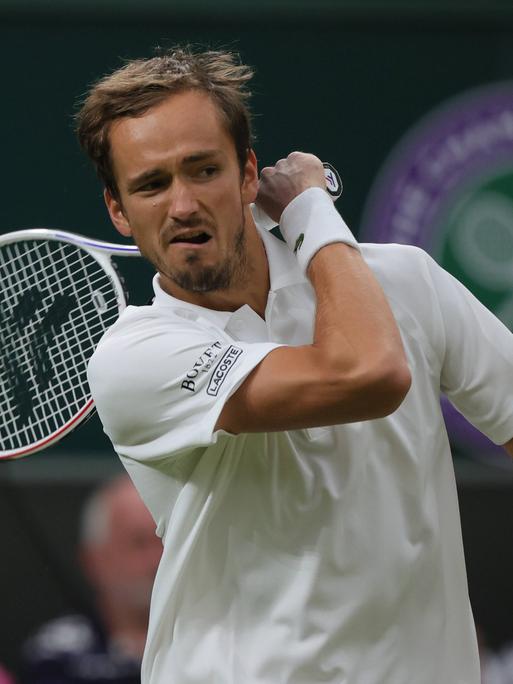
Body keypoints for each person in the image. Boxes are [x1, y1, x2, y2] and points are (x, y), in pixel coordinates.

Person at [75, 47, 513, 684]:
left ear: (249, 176)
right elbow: (367, 374)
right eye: (152, 184)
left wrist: (319, 236)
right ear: (118, 210)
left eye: (203, 170)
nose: (183, 205)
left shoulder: (407, 281)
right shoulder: (133, 359)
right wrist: (310, 209)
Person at [21, 475, 162, 684]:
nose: (156, 559)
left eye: (163, 541)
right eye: (138, 543)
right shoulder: (58, 655)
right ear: (94, 560)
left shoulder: (215, 640)